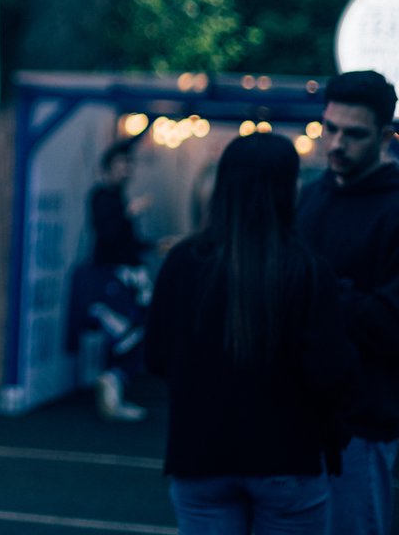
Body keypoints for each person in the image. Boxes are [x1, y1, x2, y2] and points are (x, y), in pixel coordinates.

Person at [145, 133, 357, 535]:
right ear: (288, 189)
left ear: (222, 186)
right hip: (287, 457)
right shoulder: (307, 270)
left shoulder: (183, 263)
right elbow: (331, 372)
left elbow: (155, 358)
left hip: (200, 455)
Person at [296, 69, 399, 535]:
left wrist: (314, 285)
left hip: (362, 423)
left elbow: (390, 326)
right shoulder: (311, 195)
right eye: (329, 129)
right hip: (292, 418)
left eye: (353, 134)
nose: (336, 143)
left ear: (385, 136)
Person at [66, 138, 155, 422]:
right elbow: (108, 235)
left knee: (132, 334)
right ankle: (110, 388)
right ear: (107, 168)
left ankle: (112, 390)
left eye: (129, 164)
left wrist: (155, 245)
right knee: (126, 333)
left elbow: (126, 243)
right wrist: (129, 214)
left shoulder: (118, 199)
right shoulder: (102, 197)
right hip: (107, 283)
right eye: (121, 165)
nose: (126, 170)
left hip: (123, 281)